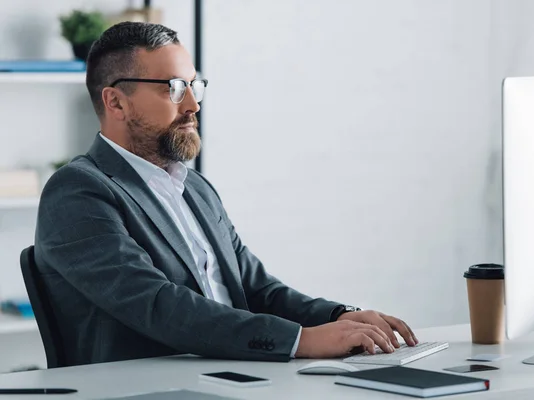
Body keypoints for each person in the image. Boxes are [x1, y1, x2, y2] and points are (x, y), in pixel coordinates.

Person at [34, 21, 417, 367]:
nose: (192, 105)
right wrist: (299, 341)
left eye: (194, 86)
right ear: (115, 102)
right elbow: (158, 305)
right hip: (152, 385)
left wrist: (337, 318)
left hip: (231, 371)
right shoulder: (79, 190)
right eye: (174, 88)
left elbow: (257, 288)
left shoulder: (195, 188)